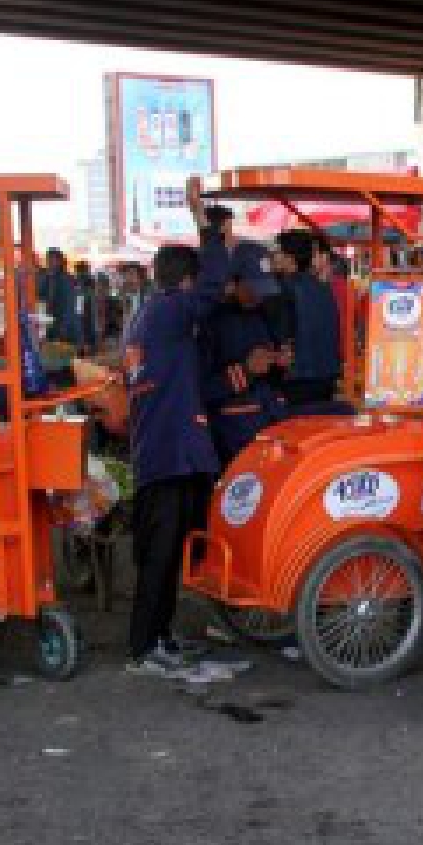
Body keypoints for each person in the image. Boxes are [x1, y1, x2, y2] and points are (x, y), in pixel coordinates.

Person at [125, 232, 231, 677]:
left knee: (170, 555)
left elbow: (193, 384)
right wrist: (209, 230)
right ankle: (144, 646)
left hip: (170, 452)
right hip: (167, 456)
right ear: (185, 283)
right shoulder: (169, 309)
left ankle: (161, 636)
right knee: (160, 557)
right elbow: (213, 290)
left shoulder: (151, 318)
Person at [199, 241, 286, 468]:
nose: (260, 296)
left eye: (264, 289)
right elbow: (201, 388)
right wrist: (246, 370)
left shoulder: (261, 314)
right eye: (254, 288)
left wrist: (279, 363)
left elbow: (271, 377)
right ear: (233, 282)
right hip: (230, 437)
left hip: (267, 425)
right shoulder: (210, 320)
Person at [271, 229, 343, 407]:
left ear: (290, 257)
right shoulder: (325, 289)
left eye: (278, 251)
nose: (274, 256)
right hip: (327, 375)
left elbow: (280, 333)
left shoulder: (284, 289)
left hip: (298, 378)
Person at [35, 247, 79, 349]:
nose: (49, 262)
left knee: (63, 355)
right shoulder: (46, 278)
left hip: (63, 327)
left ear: (59, 261)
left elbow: (70, 306)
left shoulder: (67, 279)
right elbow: (40, 297)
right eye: (48, 259)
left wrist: (64, 328)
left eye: (52, 259)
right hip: (49, 325)